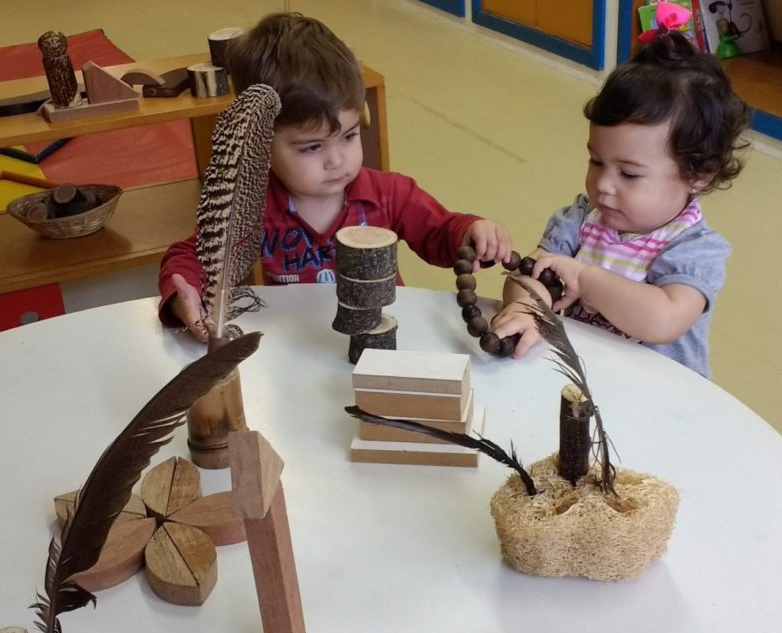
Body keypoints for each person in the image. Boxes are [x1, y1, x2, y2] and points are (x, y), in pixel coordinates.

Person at [158, 11, 513, 340]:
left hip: (383, 342)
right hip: (301, 345)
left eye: (348, 136)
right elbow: (189, 257)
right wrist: (181, 295)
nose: (337, 161)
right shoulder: (251, 208)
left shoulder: (390, 194)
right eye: (312, 147)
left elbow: (441, 232)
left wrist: (472, 231)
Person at [490, 28, 751, 378]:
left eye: (629, 174)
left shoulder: (695, 249)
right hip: (590, 379)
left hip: (665, 398)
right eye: (596, 162)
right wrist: (527, 307)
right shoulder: (581, 219)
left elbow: (664, 319)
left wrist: (584, 278)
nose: (604, 185)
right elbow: (531, 273)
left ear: (698, 174)